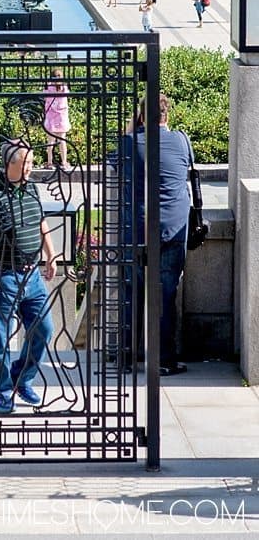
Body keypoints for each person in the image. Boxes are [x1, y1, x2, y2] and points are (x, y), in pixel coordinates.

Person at [0, 137, 57, 413]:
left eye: (32, 162)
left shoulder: (31, 188)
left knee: (44, 329)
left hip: (31, 274)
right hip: (2, 274)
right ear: (10, 164)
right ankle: (0, 392)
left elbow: (41, 222)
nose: (31, 168)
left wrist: (50, 254)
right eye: (26, 163)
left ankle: (22, 378)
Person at [121, 94, 198, 375]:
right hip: (173, 228)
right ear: (166, 116)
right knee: (165, 295)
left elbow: (113, 163)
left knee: (132, 291)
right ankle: (164, 360)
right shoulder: (181, 140)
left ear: (141, 116)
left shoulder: (129, 143)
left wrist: (132, 128)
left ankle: (128, 356)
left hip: (138, 229)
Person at [43, 68, 71, 170]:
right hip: (61, 118)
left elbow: (45, 98)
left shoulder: (48, 87)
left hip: (51, 118)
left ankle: (50, 163)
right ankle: (64, 162)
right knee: (62, 141)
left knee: (50, 141)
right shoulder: (64, 88)